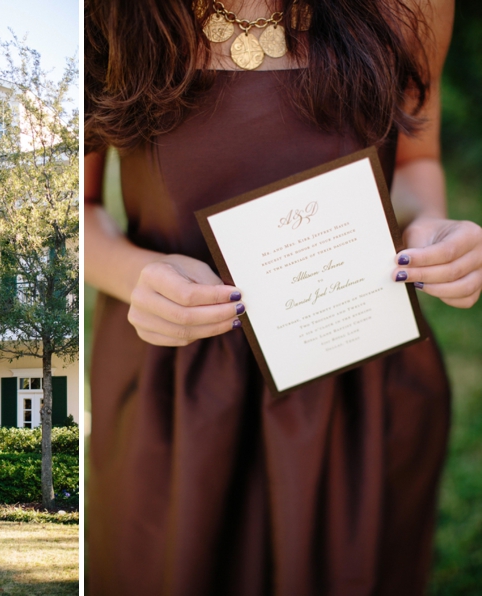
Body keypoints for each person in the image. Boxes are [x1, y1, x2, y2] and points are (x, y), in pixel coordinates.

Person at [84, 0, 482, 594]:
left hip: (355, 374)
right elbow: (74, 209)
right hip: (176, 384)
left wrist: (431, 228)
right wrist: (132, 272)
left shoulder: (414, 5)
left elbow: (416, 161)